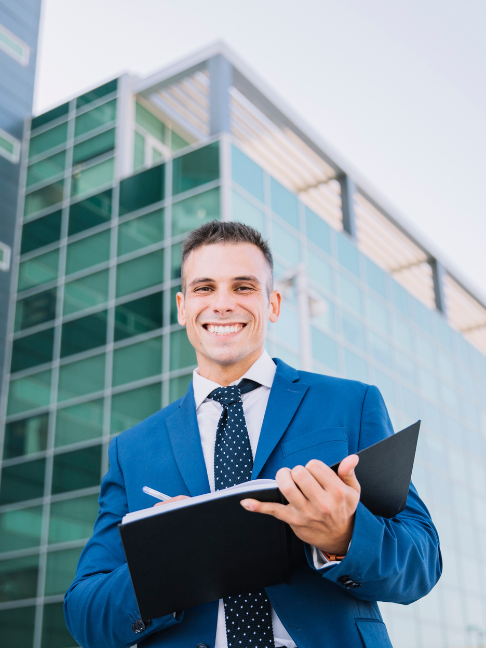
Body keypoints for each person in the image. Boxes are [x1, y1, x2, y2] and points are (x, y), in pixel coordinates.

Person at [64, 221, 441, 648]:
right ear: (182, 307)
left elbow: (423, 560)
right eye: (205, 289)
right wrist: (166, 564)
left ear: (273, 303)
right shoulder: (132, 451)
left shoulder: (349, 404)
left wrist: (345, 535)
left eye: (243, 287)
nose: (223, 304)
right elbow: (84, 615)